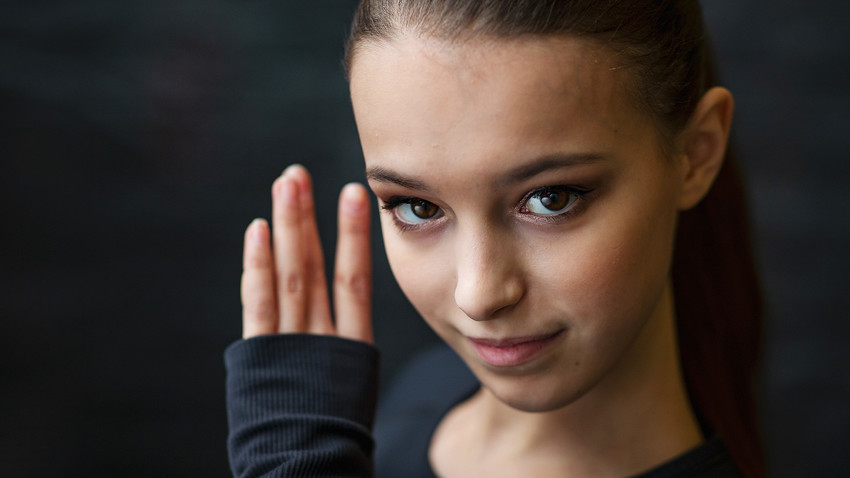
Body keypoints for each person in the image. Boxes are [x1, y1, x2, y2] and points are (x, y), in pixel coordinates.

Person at [225, 1, 764, 477]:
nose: (478, 296)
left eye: (551, 199)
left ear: (697, 154)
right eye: (418, 207)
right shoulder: (418, 396)